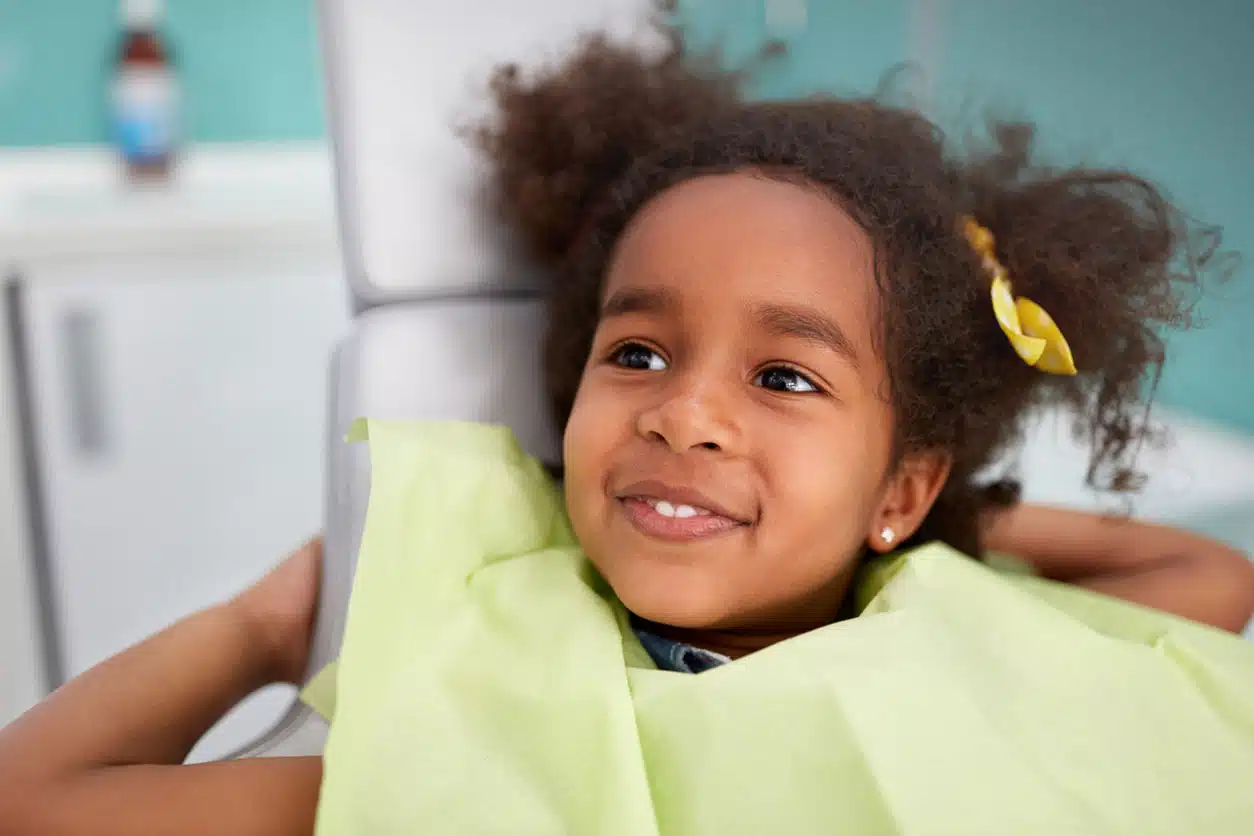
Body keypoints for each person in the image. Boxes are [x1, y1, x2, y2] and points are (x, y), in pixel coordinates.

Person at [2, 24, 1253, 836]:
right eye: (638, 351)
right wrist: (263, 629)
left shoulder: (958, 623)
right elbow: (34, 800)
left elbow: (1206, 573)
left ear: (905, 485)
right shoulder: (493, 714)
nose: (685, 412)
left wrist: (937, 524)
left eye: (786, 378)